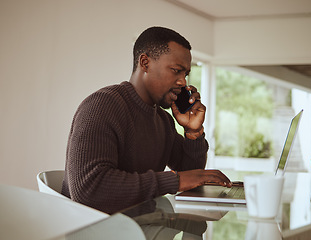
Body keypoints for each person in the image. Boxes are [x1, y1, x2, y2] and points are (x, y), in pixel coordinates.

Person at [61, 26, 232, 214]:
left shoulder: (163, 120)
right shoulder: (102, 106)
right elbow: (89, 190)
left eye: (185, 74)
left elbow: (191, 175)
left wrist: (194, 133)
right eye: (176, 70)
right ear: (145, 62)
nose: (183, 82)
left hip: (138, 228)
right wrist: (174, 180)